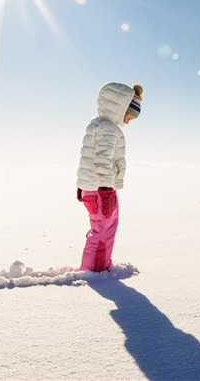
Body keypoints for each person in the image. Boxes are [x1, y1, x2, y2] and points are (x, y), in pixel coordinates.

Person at [76, 81, 143, 272]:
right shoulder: (109, 129)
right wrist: (105, 191)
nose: (128, 121)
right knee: (103, 230)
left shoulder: (96, 125)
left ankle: (99, 265)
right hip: (101, 189)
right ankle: (95, 270)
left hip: (94, 188)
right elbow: (102, 160)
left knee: (102, 228)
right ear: (119, 107)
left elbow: (86, 157)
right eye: (128, 116)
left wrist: (81, 185)